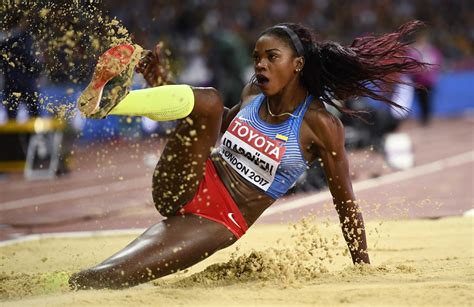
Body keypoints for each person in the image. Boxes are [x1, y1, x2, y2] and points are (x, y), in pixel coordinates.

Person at [69, 21, 426, 289]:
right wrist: (162, 83)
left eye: (272, 57)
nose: (260, 66)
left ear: (297, 64)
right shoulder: (253, 92)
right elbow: (209, 124)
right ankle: (108, 103)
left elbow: (344, 200)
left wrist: (361, 266)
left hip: (218, 220)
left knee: (99, 280)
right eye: (257, 58)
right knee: (208, 100)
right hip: (190, 180)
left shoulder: (320, 125)